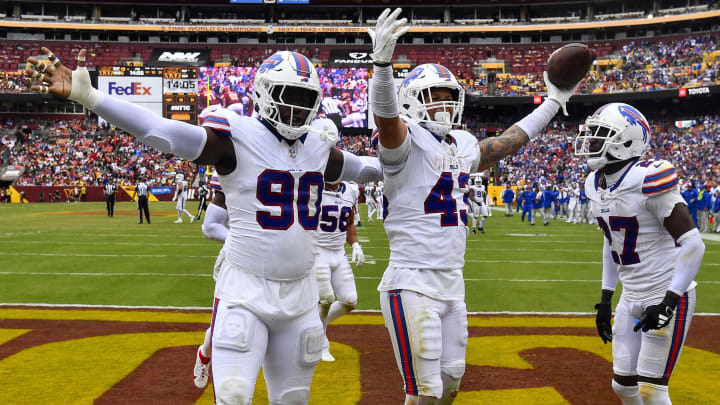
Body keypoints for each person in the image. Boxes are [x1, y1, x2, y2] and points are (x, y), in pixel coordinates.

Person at [25, 46, 383, 404]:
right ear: (263, 92)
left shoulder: (320, 148)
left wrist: (410, 152)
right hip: (245, 290)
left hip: (301, 294)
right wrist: (89, 96)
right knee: (233, 396)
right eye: (287, 95)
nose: (296, 107)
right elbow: (159, 130)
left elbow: (369, 169)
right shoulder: (236, 137)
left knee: (293, 399)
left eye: (305, 99)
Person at [368, 8, 582, 403]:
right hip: (411, 281)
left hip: (452, 280)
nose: (445, 107)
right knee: (425, 392)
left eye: (450, 99)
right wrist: (382, 67)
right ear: (412, 103)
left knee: (451, 383)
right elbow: (386, 120)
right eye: (435, 99)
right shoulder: (404, 143)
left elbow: (511, 140)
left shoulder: (462, 144)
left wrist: (553, 101)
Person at [577, 102, 705, 405]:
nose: (591, 141)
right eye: (592, 134)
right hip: (630, 296)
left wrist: (668, 302)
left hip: (667, 293)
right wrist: (606, 299)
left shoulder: (648, 179)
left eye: (600, 134)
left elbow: (693, 244)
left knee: (651, 390)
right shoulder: (594, 184)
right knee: (623, 386)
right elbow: (612, 243)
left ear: (626, 140)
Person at [314, 180, 369, 362]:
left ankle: (313, 325)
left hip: (338, 253)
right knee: (325, 299)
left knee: (349, 301)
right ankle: (320, 343)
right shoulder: (314, 188)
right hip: (317, 251)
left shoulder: (350, 191)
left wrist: (355, 244)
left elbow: (349, 222)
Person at [193, 177, 229, 389]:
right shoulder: (239, 162)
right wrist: (243, 241)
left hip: (278, 260)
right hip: (237, 258)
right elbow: (210, 226)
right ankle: (205, 354)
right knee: (223, 322)